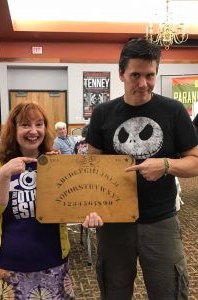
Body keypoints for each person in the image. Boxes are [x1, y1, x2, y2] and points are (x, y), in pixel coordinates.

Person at [83, 38, 198, 300]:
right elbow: (91, 168)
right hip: (114, 222)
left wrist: (167, 165)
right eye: (135, 75)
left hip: (161, 221)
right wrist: (90, 207)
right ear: (121, 72)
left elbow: (195, 161)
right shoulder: (103, 113)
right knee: (114, 292)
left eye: (150, 75)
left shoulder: (174, 111)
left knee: (169, 292)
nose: (143, 84)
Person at [0, 102, 74, 299]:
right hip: (8, 265)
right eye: (25, 125)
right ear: (14, 129)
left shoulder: (54, 162)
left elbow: (74, 203)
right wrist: (4, 175)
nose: (33, 131)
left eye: (39, 124)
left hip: (52, 262)